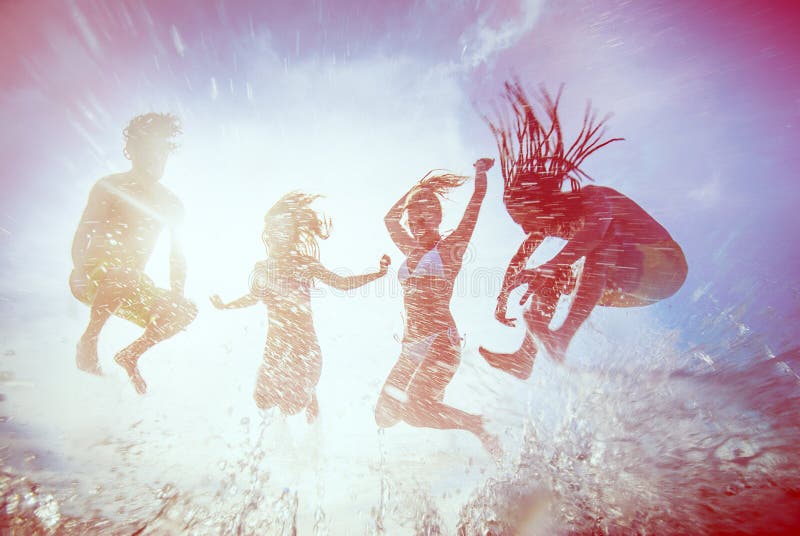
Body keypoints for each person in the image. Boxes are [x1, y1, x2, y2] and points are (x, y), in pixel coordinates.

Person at [479, 81, 688, 378]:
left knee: (591, 245)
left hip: (666, 269)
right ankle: (524, 358)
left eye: (523, 218)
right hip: (632, 287)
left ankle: (562, 336)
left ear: (542, 204)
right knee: (553, 275)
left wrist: (550, 267)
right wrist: (502, 297)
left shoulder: (593, 198)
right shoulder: (549, 223)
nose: (525, 228)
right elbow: (520, 258)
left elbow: (593, 232)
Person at [210, 192, 389, 422]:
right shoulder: (263, 268)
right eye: (275, 228)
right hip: (275, 345)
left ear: (294, 232)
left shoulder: (305, 264)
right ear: (268, 233)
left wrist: (377, 274)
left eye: (285, 228)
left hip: (304, 346)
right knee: (262, 401)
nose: (280, 233)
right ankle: (300, 391)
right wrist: (227, 305)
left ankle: (309, 392)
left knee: (291, 407)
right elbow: (254, 297)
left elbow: (342, 283)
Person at [375, 159, 500, 456]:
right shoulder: (410, 248)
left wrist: (481, 173)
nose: (415, 224)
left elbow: (475, 205)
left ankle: (476, 424)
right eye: (412, 219)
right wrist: (416, 190)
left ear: (436, 217)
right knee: (385, 414)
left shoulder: (450, 248)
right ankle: (447, 411)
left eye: (423, 217)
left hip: (441, 340)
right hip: (413, 344)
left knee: (415, 413)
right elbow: (389, 219)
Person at [70, 113, 198, 394]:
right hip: (91, 275)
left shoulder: (171, 203)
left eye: (161, 153)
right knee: (125, 272)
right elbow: (83, 233)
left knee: (186, 309)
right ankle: (89, 341)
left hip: (130, 286)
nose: (155, 160)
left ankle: (131, 355)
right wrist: (79, 269)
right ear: (132, 152)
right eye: (148, 152)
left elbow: (177, 257)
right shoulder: (110, 186)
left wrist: (176, 297)